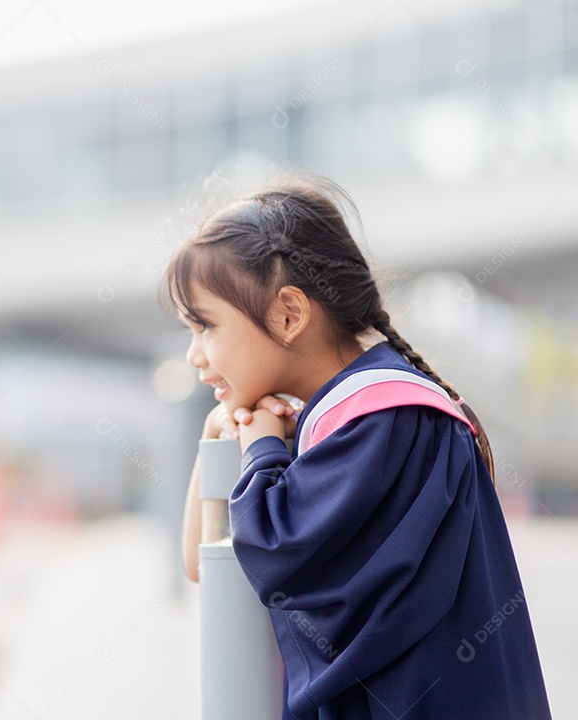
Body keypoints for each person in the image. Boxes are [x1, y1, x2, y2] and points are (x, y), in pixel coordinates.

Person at [165, 173, 551, 719]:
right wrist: (219, 438)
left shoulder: (386, 420)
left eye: (205, 326)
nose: (194, 355)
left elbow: (275, 555)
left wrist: (262, 454)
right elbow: (207, 564)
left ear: (289, 314)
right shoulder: (328, 421)